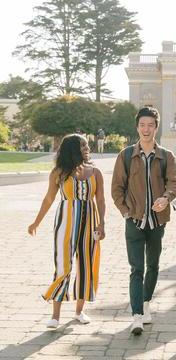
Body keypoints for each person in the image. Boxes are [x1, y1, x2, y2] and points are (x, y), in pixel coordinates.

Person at [111, 106, 176, 336]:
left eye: (150, 125)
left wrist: (165, 198)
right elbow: (116, 189)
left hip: (157, 221)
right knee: (136, 268)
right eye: (142, 125)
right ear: (137, 127)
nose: (146, 129)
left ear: (156, 127)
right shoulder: (126, 156)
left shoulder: (166, 156)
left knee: (153, 265)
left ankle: (146, 302)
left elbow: (174, 182)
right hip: (134, 221)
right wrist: (125, 212)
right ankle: (137, 316)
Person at [28, 134, 105, 328]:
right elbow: (48, 199)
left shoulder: (95, 172)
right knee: (63, 266)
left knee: (87, 264)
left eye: (87, 144)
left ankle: (79, 311)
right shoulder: (59, 172)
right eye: (83, 145)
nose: (87, 147)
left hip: (90, 224)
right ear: (72, 149)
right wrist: (36, 222)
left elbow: (101, 200)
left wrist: (102, 224)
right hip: (65, 224)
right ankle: (55, 316)